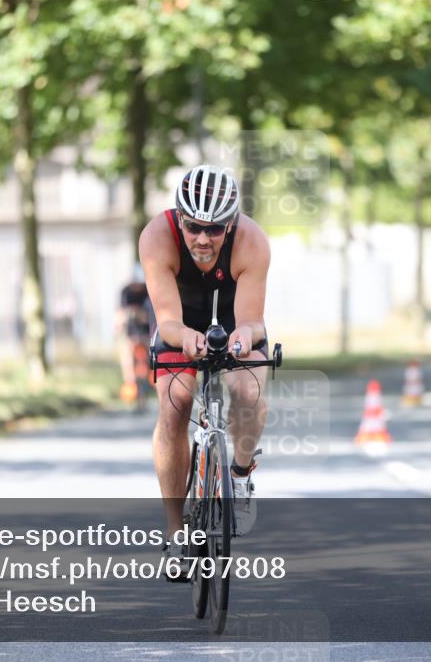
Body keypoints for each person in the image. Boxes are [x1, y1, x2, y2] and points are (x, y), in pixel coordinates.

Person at [138, 164, 271, 574]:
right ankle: (176, 535)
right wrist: (185, 337)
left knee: (249, 392)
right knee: (175, 404)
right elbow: (168, 322)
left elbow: (251, 321)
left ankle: (240, 475)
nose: (202, 238)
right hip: (180, 318)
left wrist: (244, 336)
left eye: (214, 229)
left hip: (235, 317)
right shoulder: (156, 238)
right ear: (179, 218)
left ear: (230, 225)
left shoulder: (252, 241)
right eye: (193, 226)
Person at [115, 266, 153, 406]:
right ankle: (129, 380)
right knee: (126, 354)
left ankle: (151, 376)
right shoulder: (126, 291)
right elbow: (120, 312)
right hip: (130, 331)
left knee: (151, 355)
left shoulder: (149, 290)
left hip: (146, 331)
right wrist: (118, 325)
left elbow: (151, 314)